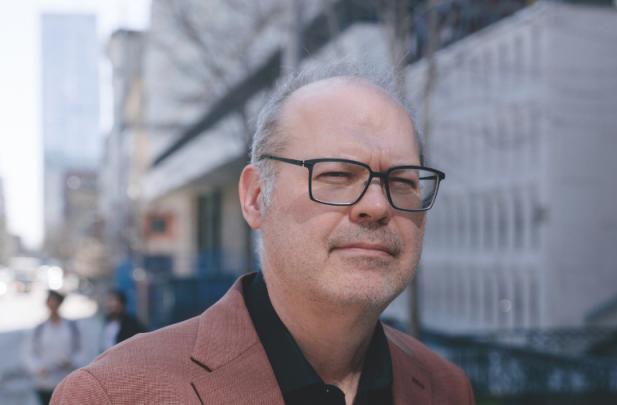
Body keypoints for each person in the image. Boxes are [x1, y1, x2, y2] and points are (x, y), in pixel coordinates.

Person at [51, 63, 474, 404]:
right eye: (338, 174)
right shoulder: (114, 394)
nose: (377, 205)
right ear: (255, 198)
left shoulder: (446, 388)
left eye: (403, 180)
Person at [25, 290, 83, 405]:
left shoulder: (71, 327)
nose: (52, 306)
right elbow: (30, 353)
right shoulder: (39, 329)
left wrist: (72, 362)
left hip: (66, 380)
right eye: (50, 302)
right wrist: (38, 368)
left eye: (55, 302)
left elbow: (80, 350)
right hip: (45, 383)